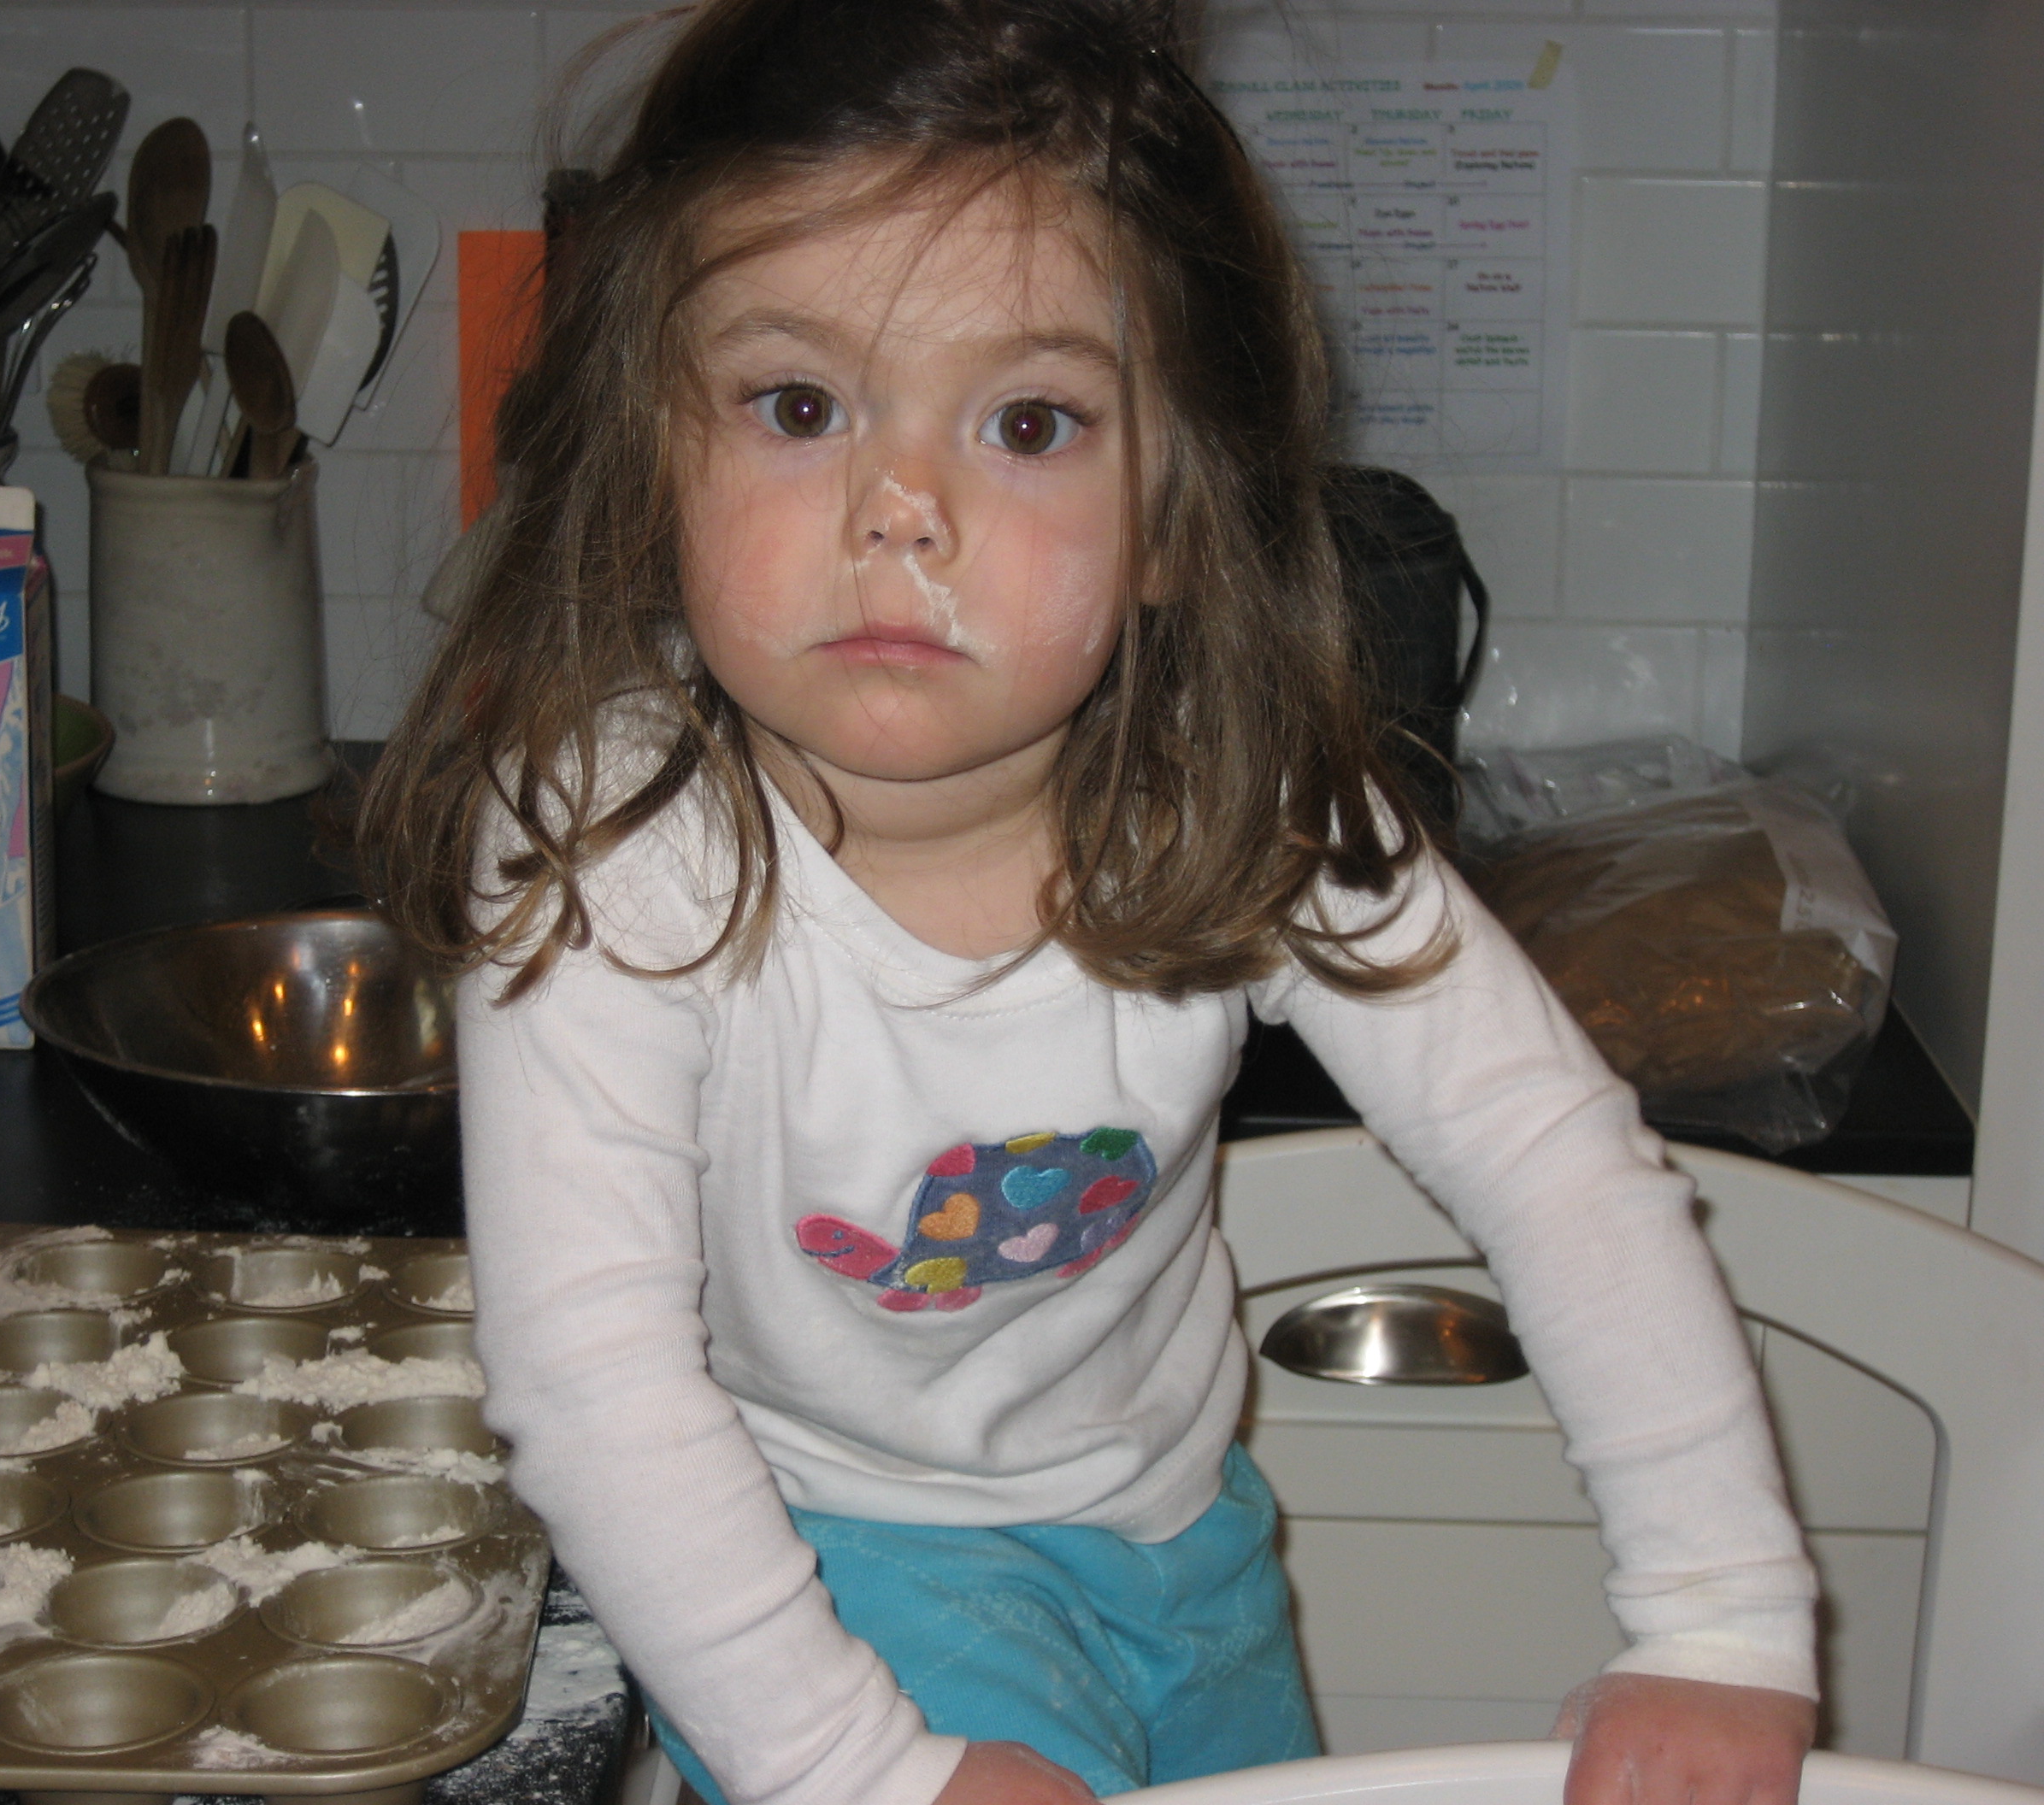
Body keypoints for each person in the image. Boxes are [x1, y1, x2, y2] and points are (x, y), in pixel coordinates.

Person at [355, 3, 1821, 1804]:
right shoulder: (608, 852)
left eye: (1029, 421)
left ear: (1182, 514)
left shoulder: (1248, 795)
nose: (900, 510)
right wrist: (860, 1769)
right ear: (655, 456)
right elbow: (592, 1382)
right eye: (799, 407)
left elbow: (1554, 1159)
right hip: (819, 1571)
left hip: (1186, 1547)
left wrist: (1719, 1619)